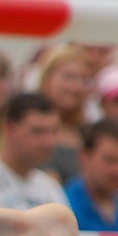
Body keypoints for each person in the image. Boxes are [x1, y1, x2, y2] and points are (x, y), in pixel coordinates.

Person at [0, 93, 67, 211]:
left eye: (54, 132)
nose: (49, 142)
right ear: (10, 129)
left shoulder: (51, 187)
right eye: (38, 131)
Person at [34, 46, 92, 187]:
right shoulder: (31, 127)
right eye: (68, 77)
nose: (76, 87)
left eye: (83, 80)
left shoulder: (87, 132)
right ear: (47, 79)